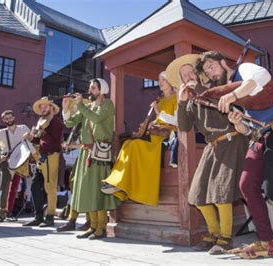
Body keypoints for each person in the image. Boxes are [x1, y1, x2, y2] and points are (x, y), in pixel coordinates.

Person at [195, 51, 273, 259]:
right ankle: (266, 240)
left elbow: (262, 77)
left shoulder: (243, 71)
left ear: (223, 63)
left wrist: (232, 95)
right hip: (259, 138)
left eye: (211, 66)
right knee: (246, 185)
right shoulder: (231, 95)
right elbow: (245, 130)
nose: (211, 73)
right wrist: (237, 122)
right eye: (207, 72)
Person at [166, 54, 248, 254]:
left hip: (232, 139)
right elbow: (184, 127)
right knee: (196, 195)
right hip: (212, 146)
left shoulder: (215, 86)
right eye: (184, 75)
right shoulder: (191, 99)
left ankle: (225, 238)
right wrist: (182, 102)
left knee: (222, 192)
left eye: (191, 71)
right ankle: (213, 234)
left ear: (198, 73)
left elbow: (222, 93)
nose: (188, 76)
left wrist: (200, 88)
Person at [56, 78, 120, 240]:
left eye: (93, 88)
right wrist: (65, 109)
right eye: (89, 87)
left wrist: (81, 106)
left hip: (99, 152)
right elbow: (70, 123)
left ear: (101, 90)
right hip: (87, 152)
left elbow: (97, 118)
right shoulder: (88, 107)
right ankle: (92, 226)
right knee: (87, 189)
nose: (89, 90)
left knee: (97, 190)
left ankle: (101, 227)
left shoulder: (108, 104)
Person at [102, 71, 177, 206]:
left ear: (171, 81)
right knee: (127, 144)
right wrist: (152, 121)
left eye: (163, 79)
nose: (160, 82)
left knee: (135, 145)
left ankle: (124, 185)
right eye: (159, 79)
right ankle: (118, 182)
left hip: (166, 136)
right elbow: (159, 120)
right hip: (155, 133)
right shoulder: (160, 100)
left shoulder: (177, 98)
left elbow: (177, 121)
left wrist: (158, 113)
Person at [23, 97, 64, 227]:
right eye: (41, 107)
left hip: (51, 156)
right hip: (42, 157)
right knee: (35, 186)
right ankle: (38, 216)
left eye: (45, 106)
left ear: (52, 108)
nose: (42, 109)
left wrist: (38, 134)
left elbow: (53, 142)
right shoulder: (42, 122)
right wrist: (31, 137)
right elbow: (41, 142)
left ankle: (50, 216)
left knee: (50, 187)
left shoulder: (56, 122)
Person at [0, 110, 34, 222]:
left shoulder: (23, 128)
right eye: (6, 118)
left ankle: (9, 212)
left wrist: (29, 135)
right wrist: (0, 156)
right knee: (4, 187)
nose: (9, 120)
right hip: (7, 161)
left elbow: (32, 139)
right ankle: (1, 213)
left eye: (10, 117)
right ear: (3, 120)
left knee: (14, 187)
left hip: (21, 161)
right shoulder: (1, 132)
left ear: (14, 117)